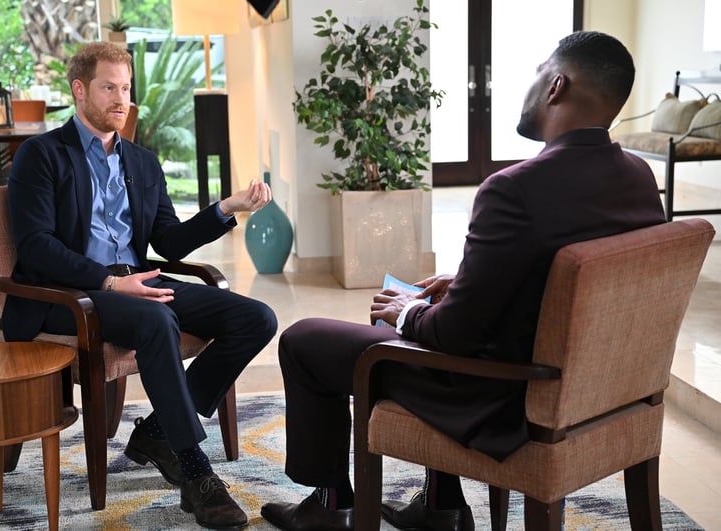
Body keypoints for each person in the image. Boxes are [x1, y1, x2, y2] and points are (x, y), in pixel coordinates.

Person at [260, 31, 667, 531]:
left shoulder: (514, 190)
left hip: (506, 400)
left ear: (557, 85)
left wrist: (406, 312)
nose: (532, 83)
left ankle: (330, 506)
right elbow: (564, 284)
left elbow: (454, 337)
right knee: (432, 319)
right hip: (598, 393)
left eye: (538, 71)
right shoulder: (637, 177)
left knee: (306, 340)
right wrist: (469, 281)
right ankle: (440, 507)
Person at [5, 41, 278, 529]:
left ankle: (156, 431)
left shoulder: (142, 162)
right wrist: (109, 281)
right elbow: (36, 247)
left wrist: (226, 209)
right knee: (157, 319)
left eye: (126, 88)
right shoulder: (41, 155)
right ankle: (195, 470)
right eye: (108, 87)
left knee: (255, 317)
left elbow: (169, 242)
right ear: (79, 89)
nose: (120, 99)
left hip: (138, 281)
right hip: (74, 295)